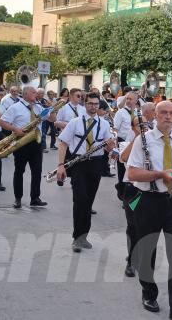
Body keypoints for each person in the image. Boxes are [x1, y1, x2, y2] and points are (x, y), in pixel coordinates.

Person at [126, 101, 172, 320]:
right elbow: (133, 174)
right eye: (163, 113)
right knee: (148, 250)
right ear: (155, 116)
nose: (168, 116)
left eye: (171, 113)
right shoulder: (143, 140)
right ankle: (149, 292)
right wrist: (159, 174)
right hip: (148, 200)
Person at [55, 92, 116, 252]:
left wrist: (111, 146)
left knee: (88, 202)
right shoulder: (75, 122)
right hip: (78, 163)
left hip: (96, 163)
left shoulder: (103, 124)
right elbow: (63, 143)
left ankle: (84, 236)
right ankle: (77, 237)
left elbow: (109, 147)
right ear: (85, 104)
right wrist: (61, 165)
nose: (93, 106)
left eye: (96, 104)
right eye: (90, 103)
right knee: (80, 199)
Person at [117, 102, 156, 278]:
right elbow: (123, 158)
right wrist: (138, 137)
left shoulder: (154, 141)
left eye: (146, 126)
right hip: (132, 189)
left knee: (148, 227)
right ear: (133, 127)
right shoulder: (128, 142)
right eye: (139, 126)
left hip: (151, 190)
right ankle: (131, 260)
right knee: (133, 226)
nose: (143, 128)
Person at [0, 86, 51, 209]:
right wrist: (15, 129)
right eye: (34, 92)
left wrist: (51, 107)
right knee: (19, 171)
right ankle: (18, 198)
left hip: (36, 143)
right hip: (21, 142)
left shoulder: (39, 106)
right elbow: (2, 122)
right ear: (26, 94)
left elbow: (52, 119)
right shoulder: (15, 107)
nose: (36, 94)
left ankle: (35, 198)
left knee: (37, 172)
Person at [114, 92, 140, 185]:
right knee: (122, 167)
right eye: (127, 98)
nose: (128, 101)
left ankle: (131, 188)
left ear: (136, 101)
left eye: (130, 99)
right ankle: (121, 187)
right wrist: (115, 147)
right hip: (123, 142)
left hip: (135, 142)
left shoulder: (138, 112)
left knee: (133, 166)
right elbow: (115, 130)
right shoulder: (120, 112)